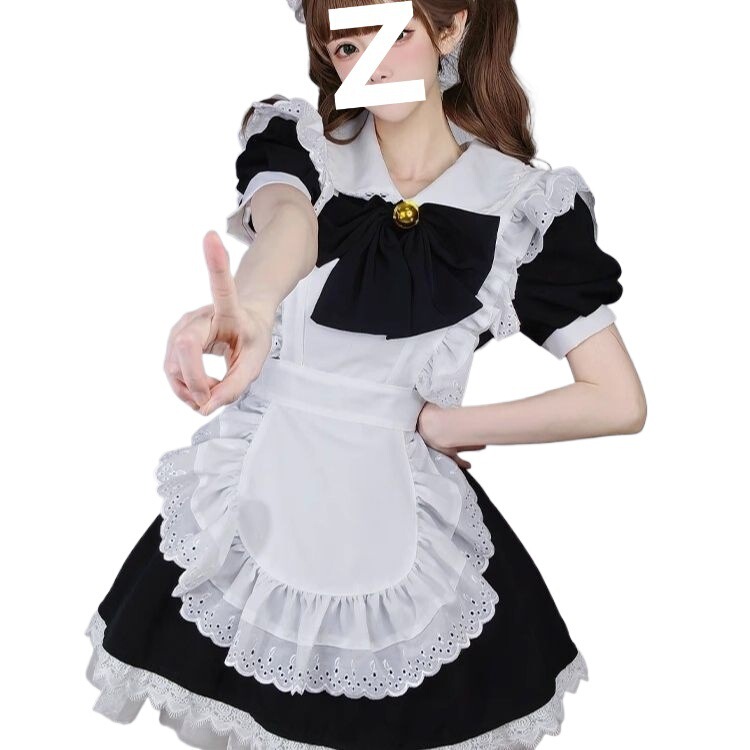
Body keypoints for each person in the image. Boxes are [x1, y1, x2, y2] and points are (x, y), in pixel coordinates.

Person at [83, 1, 647, 748]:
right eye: (346, 46)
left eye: (394, 36)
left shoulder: (520, 207)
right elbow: (288, 222)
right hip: (261, 492)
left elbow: (617, 399)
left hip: (395, 508)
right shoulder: (304, 148)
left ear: (450, 29)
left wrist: (444, 423)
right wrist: (253, 306)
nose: (369, 65)